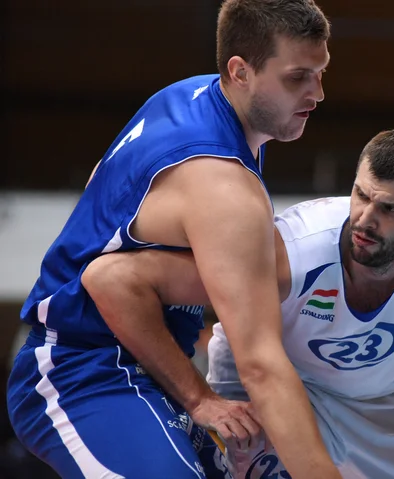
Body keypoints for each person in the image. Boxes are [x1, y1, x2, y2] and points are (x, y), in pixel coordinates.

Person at [81, 127, 394, 478]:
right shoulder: (288, 256)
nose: (364, 219)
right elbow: (112, 278)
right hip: (281, 388)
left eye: (389, 209)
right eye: (361, 195)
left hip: (392, 399)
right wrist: (200, 400)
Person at [6, 1, 338, 478]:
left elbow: (102, 194)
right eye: (297, 77)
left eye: (321, 72)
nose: (318, 93)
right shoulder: (224, 187)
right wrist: (198, 396)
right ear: (240, 71)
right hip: (80, 369)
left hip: (147, 365)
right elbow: (260, 363)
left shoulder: (191, 95)